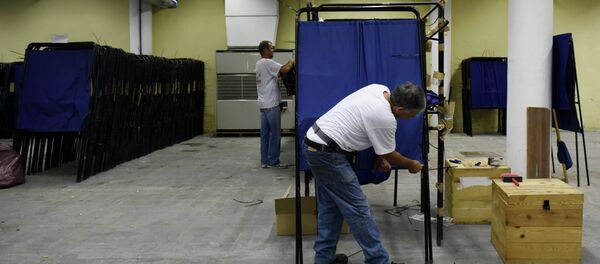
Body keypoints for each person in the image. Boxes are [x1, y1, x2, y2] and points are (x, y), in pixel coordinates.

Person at [303, 82, 426, 264]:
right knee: (358, 210)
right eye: (412, 115)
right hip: (329, 156)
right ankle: (378, 261)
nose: (411, 118)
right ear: (400, 109)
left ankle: (324, 259)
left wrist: (381, 154)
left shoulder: (378, 89)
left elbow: (364, 125)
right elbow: (390, 153)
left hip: (315, 144)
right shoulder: (385, 118)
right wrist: (411, 164)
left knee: (330, 208)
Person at [255, 40, 294, 168]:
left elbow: (271, 78)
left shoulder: (259, 63)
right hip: (271, 104)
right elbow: (286, 69)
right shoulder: (268, 62)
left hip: (263, 104)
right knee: (275, 134)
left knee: (265, 134)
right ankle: (273, 161)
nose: (273, 50)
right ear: (265, 50)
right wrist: (292, 60)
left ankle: (264, 161)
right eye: (271, 48)